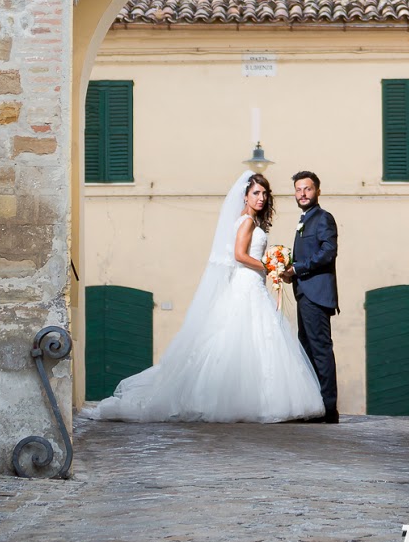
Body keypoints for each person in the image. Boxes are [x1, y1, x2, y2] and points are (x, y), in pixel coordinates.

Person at [83, 171, 324, 423]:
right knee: (249, 337)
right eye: (255, 193)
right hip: (247, 284)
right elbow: (240, 255)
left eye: (264, 193)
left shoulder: (250, 221)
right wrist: (269, 266)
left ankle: (256, 400)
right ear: (245, 196)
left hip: (252, 284)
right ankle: (253, 401)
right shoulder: (246, 222)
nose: (261, 198)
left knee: (254, 339)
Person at [282, 170, 340, 423]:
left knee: (320, 351)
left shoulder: (323, 218)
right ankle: (314, 406)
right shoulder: (305, 219)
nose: (302, 194)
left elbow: (328, 251)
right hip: (304, 293)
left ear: (317, 191)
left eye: (307, 189)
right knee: (307, 350)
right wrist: (289, 272)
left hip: (316, 294)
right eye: (298, 190)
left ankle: (328, 409)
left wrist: (297, 269)